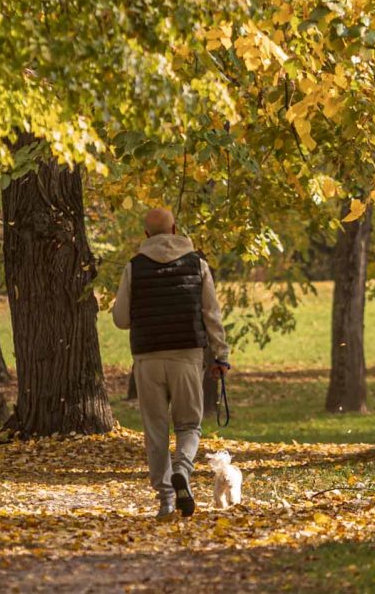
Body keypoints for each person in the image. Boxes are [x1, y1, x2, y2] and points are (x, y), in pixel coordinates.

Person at [112, 207, 230, 519]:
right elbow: (212, 315)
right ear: (175, 229)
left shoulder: (133, 268)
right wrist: (221, 356)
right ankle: (182, 470)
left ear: (147, 235)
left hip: (148, 357)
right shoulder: (197, 264)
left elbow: (121, 319)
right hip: (187, 355)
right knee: (189, 424)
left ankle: (165, 498)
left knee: (156, 430)